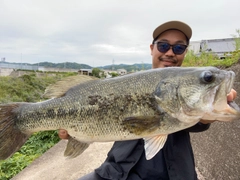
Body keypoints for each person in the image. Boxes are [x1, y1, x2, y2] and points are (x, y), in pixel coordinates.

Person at [59, 21, 237, 180]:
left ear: (184, 53)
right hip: (116, 172)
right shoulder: (127, 83)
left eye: (178, 48)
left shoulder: (184, 98)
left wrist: (210, 114)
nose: (169, 52)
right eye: (163, 45)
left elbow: (197, 118)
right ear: (152, 48)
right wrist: (78, 133)